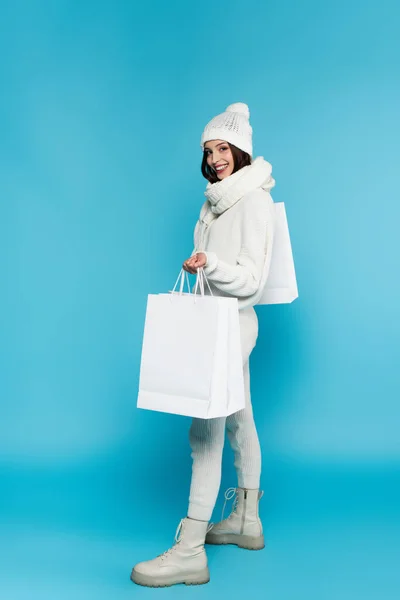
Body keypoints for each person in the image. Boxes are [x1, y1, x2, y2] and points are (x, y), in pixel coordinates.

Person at [131, 102, 276, 588]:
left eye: (221, 148)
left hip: (233, 325)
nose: (214, 158)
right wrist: (205, 263)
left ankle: (190, 550)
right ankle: (245, 520)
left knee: (205, 433)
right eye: (208, 150)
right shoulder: (217, 198)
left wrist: (209, 262)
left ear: (241, 150)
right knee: (240, 420)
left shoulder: (252, 200)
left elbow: (253, 280)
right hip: (217, 323)